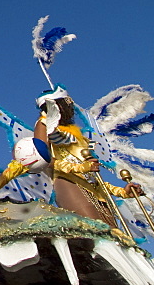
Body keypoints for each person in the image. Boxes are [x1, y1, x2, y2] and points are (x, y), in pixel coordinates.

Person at [34, 88, 142, 227]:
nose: (71, 106)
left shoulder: (80, 138)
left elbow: (93, 177)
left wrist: (122, 192)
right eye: (68, 102)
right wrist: (79, 167)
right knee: (98, 232)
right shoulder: (44, 124)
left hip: (96, 191)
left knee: (119, 239)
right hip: (68, 183)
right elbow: (42, 158)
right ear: (57, 105)